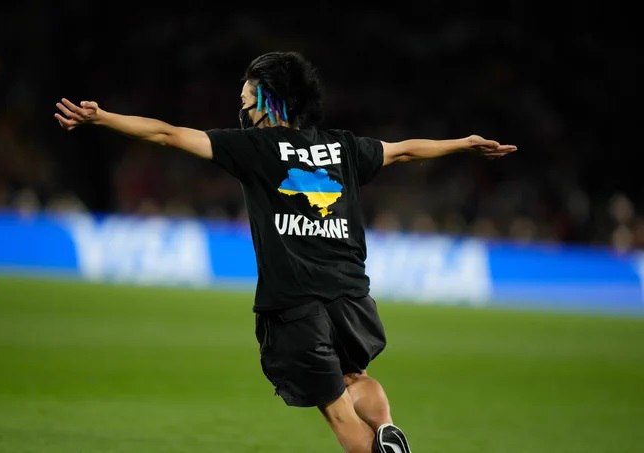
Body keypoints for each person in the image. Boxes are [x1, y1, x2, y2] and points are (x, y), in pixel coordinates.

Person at [54, 50, 516, 453]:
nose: (242, 108)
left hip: (296, 303)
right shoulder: (342, 146)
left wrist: (103, 118)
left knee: (339, 415)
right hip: (352, 298)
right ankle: (387, 428)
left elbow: (167, 134)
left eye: (246, 99)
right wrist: (463, 145)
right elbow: (404, 151)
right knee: (354, 377)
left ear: (268, 99)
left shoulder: (254, 148)